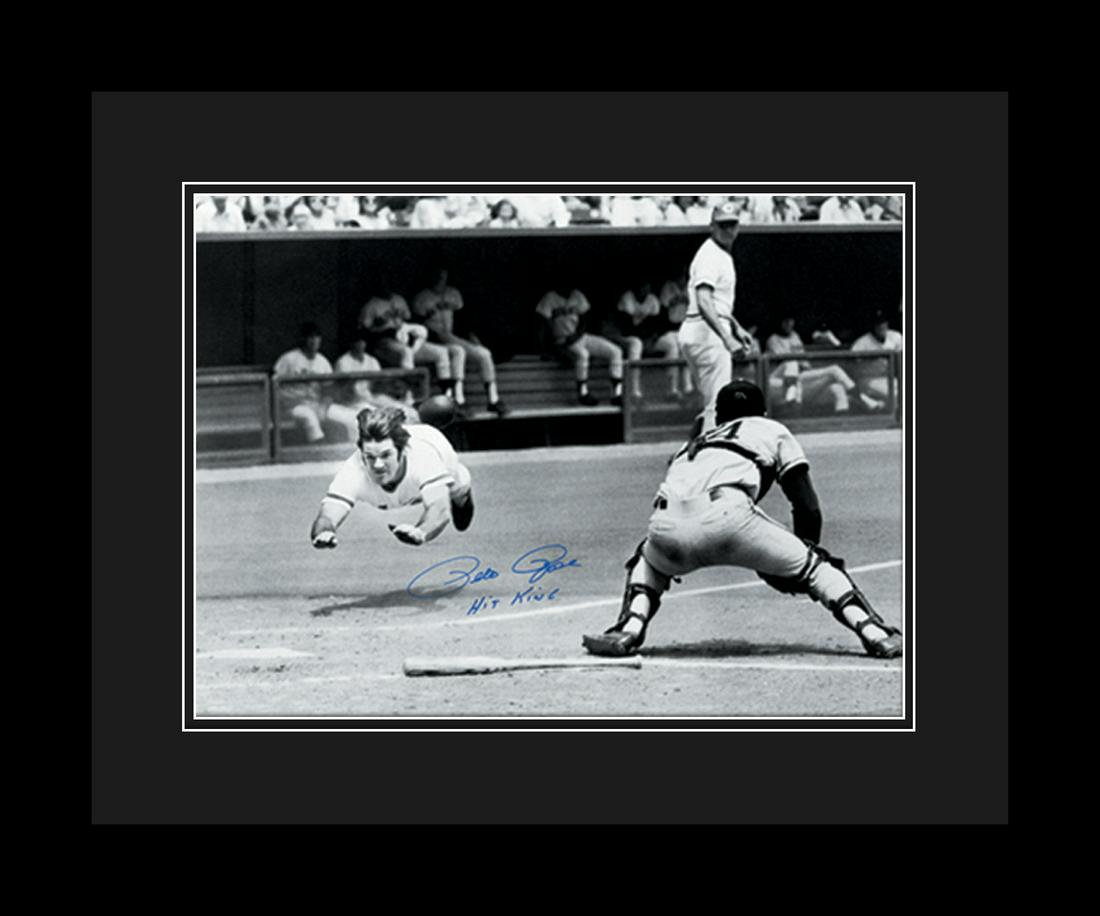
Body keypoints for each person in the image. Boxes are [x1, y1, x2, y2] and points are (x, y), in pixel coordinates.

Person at [581, 379, 903, 660]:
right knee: (818, 567)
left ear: (718, 417)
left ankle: (629, 627)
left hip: (666, 524)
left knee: (647, 559)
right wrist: (801, 559)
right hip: (729, 515)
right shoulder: (772, 429)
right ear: (762, 413)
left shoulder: (690, 445)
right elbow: (807, 507)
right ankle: (874, 632)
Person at [309, 407, 475, 551]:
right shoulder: (353, 469)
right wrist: (324, 532)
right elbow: (327, 515)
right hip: (405, 484)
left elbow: (440, 510)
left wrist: (421, 531)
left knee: (457, 495)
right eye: (370, 457)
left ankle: (463, 495)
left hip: (440, 456)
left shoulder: (424, 458)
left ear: (402, 452)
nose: (378, 465)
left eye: (386, 455)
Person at [678, 201, 756, 432]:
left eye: (732, 224)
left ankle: (696, 446)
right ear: (712, 226)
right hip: (707, 334)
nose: (728, 230)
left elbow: (715, 302)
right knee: (719, 402)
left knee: (712, 400)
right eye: (723, 225)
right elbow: (703, 300)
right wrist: (727, 338)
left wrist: (735, 325)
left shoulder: (717, 254)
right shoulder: (711, 255)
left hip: (700, 330)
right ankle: (707, 454)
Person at [412, 269, 510, 416]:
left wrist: (471, 336)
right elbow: (418, 325)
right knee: (458, 350)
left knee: (484, 354)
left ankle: (493, 400)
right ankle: (459, 399)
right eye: (437, 275)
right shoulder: (422, 297)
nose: (440, 279)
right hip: (432, 340)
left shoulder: (453, 294)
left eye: (443, 276)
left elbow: (463, 319)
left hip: (451, 337)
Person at [536, 288, 626, 406]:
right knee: (583, 355)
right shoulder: (550, 297)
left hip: (580, 337)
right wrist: (549, 348)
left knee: (616, 351)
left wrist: (577, 335)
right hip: (562, 339)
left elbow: (584, 320)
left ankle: (617, 394)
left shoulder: (577, 295)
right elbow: (544, 325)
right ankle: (583, 393)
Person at [764, 316, 873, 413]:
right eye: (785, 321)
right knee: (793, 363)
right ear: (780, 323)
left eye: (790, 320)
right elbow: (786, 361)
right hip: (779, 381)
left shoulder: (795, 336)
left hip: (801, 380)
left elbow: (804, 360)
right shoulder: (773, 339)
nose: (789, 324)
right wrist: (801, 363)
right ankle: (864, 399)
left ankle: (841, 424)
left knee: (837, 388)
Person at [273, 321, 359, 443]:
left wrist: (324, 405)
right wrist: (285, 402)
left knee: (350, 417)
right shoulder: (289, 359)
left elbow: (329, 389)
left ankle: (354, 449)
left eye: (316, 337)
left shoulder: (322, 362)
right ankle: (318, 450)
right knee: (309, 417)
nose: (314, 340)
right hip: (294, 406)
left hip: (316, 404)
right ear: (302, 339)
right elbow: (274, 383)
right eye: (310, 337)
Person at [333, 329, 420, 424]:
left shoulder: (372, 360)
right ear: (351, 344)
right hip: (352, 402)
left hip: (372, 396)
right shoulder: (343, 362)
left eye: (362, 342)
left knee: (406, 411)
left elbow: (379, 384)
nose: (360, 344)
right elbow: (344, 389)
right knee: (381, 417)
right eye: (357, 342)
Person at [850, 312, 904, 407]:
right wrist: (871, 358)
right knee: (895, 395)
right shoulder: (861, 343)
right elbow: (851, 365)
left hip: (889, 378)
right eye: (878, 324)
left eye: (883, 322)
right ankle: (894, 419)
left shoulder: (895, 337)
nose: (881, 325)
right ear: (873, 326)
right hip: (868, 380)